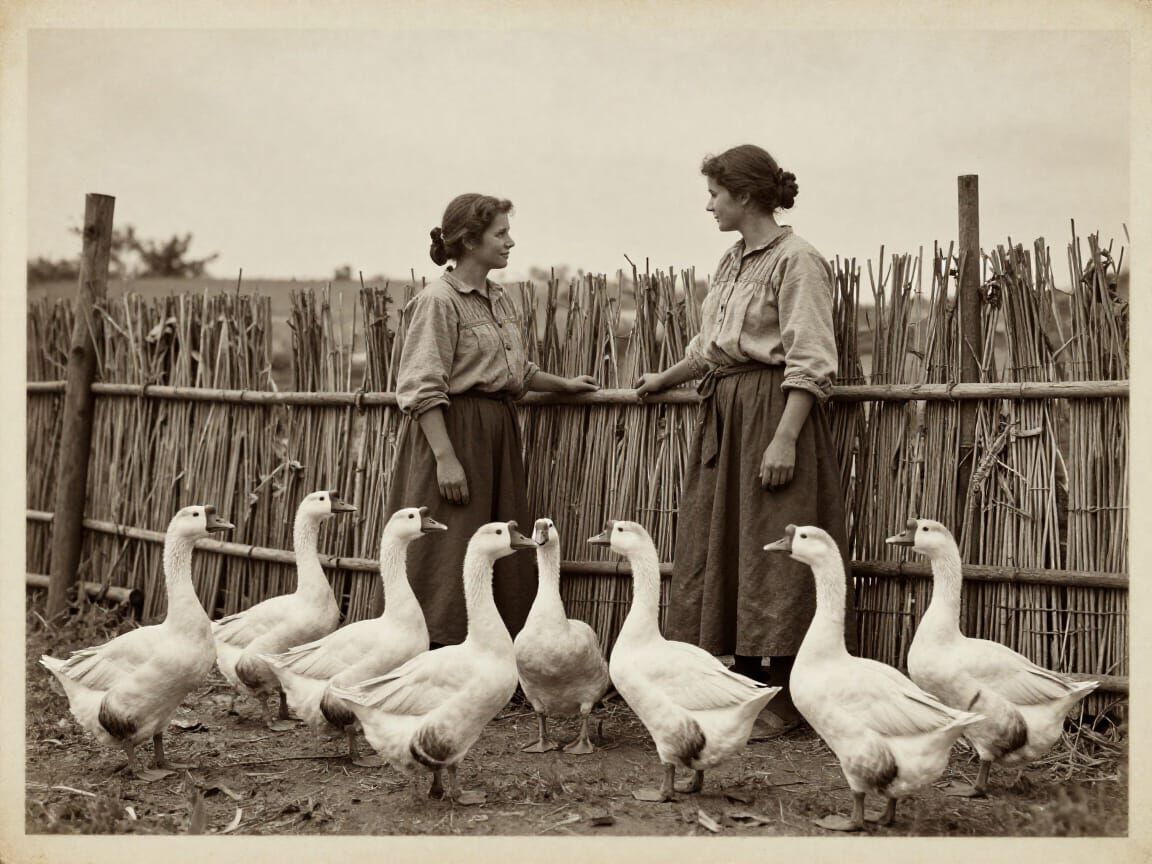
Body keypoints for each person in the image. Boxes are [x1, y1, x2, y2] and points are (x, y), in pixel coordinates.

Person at [635, 145, 857, 737]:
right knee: (726, 541)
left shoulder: (798, 261)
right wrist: (664, 379)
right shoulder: (732, 261)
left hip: (774, 411)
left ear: (745, 195)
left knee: (776, 544)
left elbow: (811, 357)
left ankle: (787, 697)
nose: (708, 205)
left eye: (714, 194)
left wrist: (785, 439)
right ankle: (743, 685)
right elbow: (710, 347)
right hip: (728, 415)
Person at [387, 193, 598, 646]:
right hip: (453, 432)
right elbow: (422, 385)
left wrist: (563, 384)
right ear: (469, 240)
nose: (510, 242)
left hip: (496, 434)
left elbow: (512, 372)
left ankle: (492, 655)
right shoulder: (438, 301)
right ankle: (432, 651)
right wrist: (446, 458)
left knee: (499, 544)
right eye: (500, 234)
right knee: (450, 546)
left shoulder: (498, 299)